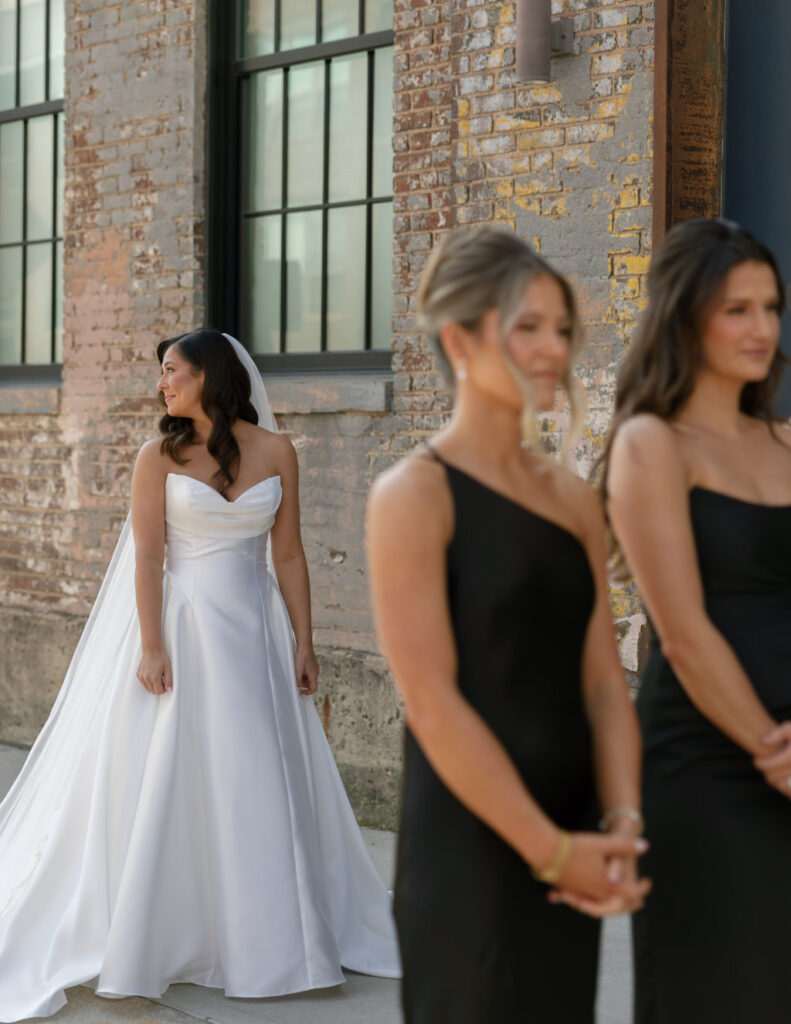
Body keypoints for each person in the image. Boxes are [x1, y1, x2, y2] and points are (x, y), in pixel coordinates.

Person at [0, 329, 400, 1023]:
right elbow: (148, 558)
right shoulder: (157, 456)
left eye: (171, 371)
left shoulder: (276, 451)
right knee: (175, 772)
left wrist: (305, 644)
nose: (162, 384)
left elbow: (291, 557)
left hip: (254, 630)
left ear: (208, 376)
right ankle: (176, 929)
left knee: (255, 771)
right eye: (161, 373)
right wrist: (152, 645)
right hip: (184, 626)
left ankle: (271, 938)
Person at [366, 226, 650, 1024]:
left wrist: (619, 826)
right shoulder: (411, 495)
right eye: (527, 326)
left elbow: (601, 684)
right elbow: (429, 700)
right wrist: (549, 849)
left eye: (561, 329)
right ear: (458, 338)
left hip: (574, 835)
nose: (552, 348)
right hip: (471, 848)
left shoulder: (571, 500)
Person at [601, 217, 791, 1023]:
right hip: (707, 758)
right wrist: (776, 755)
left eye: (770, 307)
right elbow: (679, 630)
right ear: (684, 318)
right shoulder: (653, 443)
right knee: (723, 987)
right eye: (735, 309)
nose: (760, 328)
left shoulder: (785, 440)